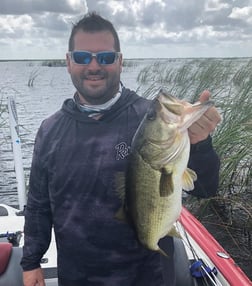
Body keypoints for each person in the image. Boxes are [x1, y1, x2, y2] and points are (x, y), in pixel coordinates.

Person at [21, 12, 221, 286]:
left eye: (105, 57)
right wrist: (31, 262)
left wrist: (200, 145)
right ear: (68, 62)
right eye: (82, 57)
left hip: (148, 275)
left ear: (120, 61)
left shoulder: (151, 118)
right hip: (78, 276)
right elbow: (38, 205)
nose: (93, 66)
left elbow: (205, 188)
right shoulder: (50, 130)